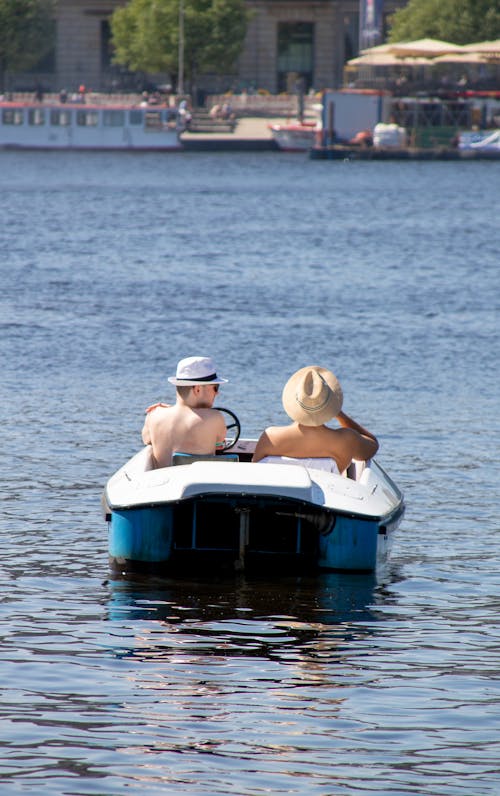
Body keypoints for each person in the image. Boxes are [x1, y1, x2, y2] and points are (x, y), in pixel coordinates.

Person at [252, 365, 378, 474]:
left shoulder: (271, 437)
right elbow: (373, 445)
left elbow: (256, 472)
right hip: (325, 499)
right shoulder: (346, 440)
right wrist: (339, 414)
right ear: (330, 404)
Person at [141, 356, 228, 468]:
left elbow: (147, 440)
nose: (217, 393)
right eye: (215, 388)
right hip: (198, 482)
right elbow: (219, 444)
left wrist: (166, 410)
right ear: (197, 389)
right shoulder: (215, 417)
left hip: (164, 482)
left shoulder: (154, 415)